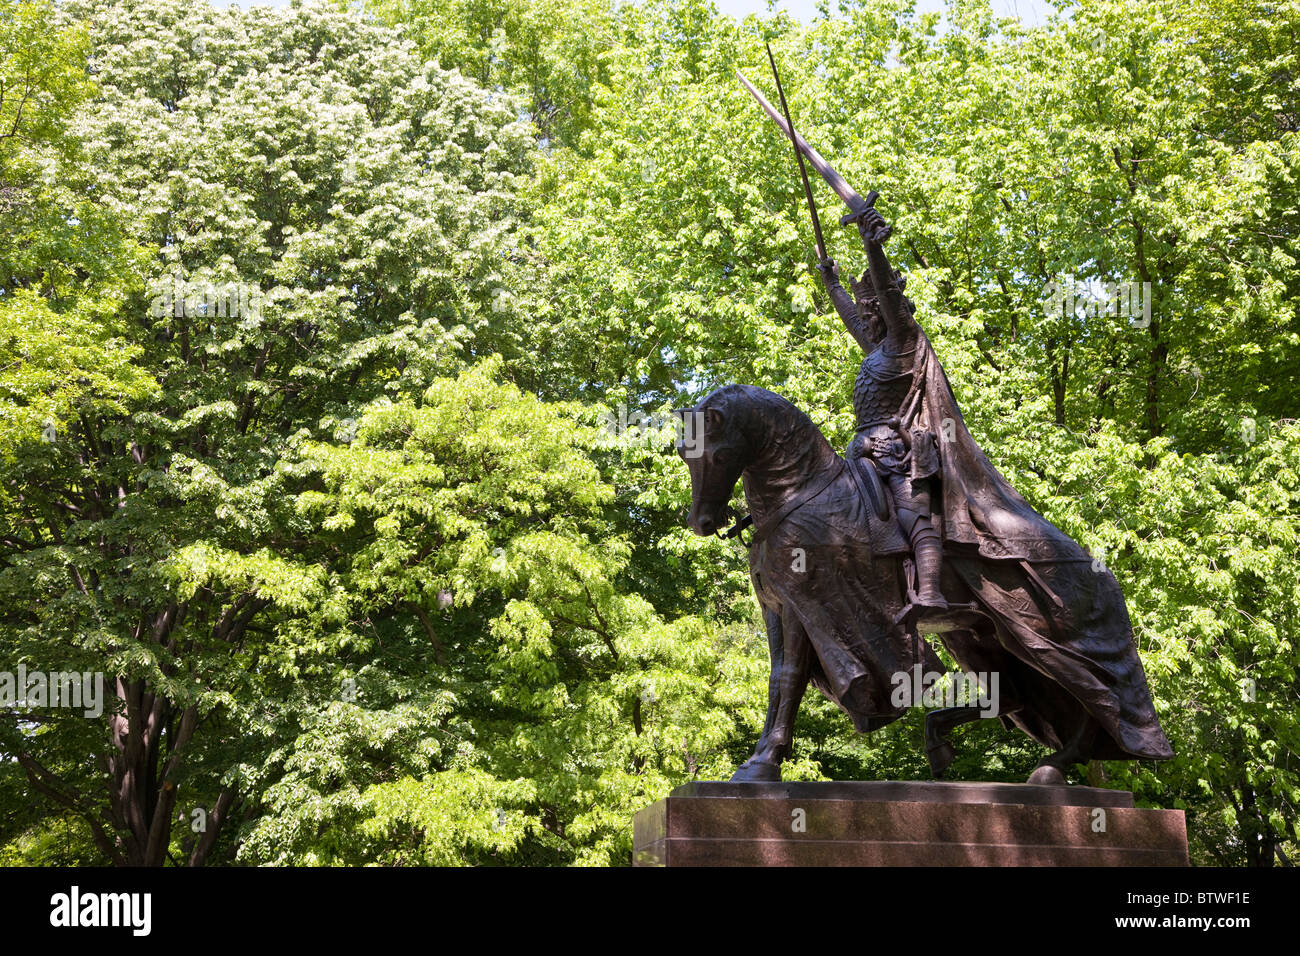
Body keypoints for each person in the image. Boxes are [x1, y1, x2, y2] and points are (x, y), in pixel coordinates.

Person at [817, 207, 947, 615]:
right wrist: (832, 283)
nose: (868, 317)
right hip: (862, 456)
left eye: (875, 310)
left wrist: (871, 246)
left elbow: (889, 297)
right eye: (866, 311)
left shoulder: (904, 342)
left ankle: (931, 594)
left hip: (899, 458)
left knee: (913, 518)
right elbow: (851, 318)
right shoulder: (876, 350)